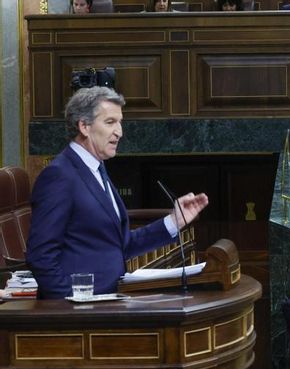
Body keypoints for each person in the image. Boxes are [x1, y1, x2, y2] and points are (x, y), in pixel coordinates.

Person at [26, 87, 209, 299]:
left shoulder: (97, 169)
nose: (119, 132)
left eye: (120, 122)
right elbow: (41, 255)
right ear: (84, 126)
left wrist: (173, 221)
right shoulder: (59, 175)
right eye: (110, 122)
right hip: (81, 313)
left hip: (110, 302)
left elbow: (120, 245)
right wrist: (69, 304)